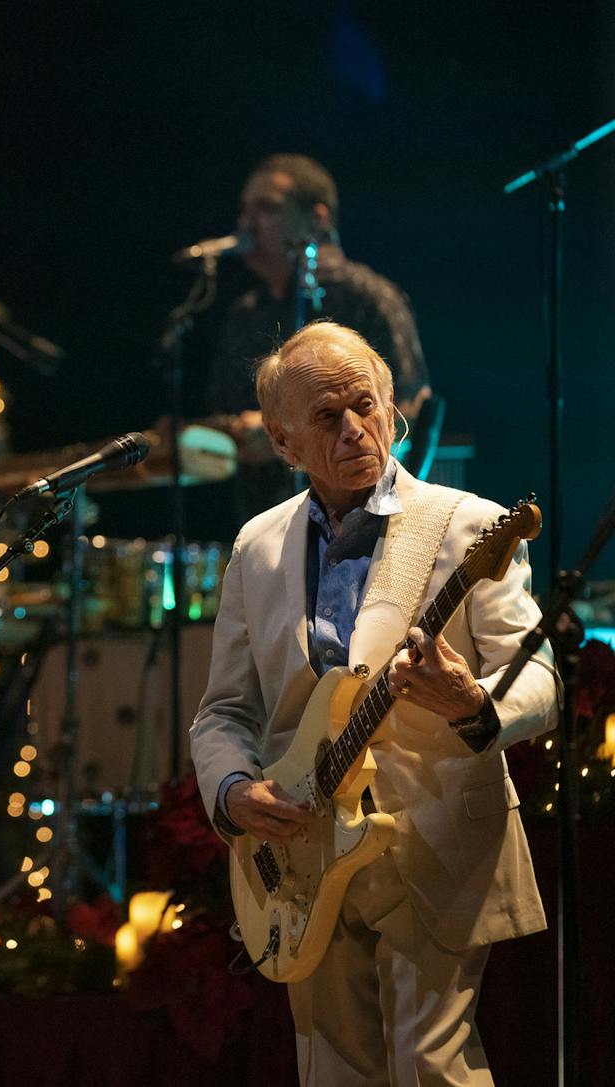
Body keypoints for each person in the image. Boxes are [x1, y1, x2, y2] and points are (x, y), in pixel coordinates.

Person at [190, 322, 558, 1085]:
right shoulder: (256, 545)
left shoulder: (465, 524)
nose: (355, 428)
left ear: (393, 406)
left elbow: (541, 672)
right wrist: (233, 790)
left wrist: (476, 707)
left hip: (437, 836)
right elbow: (223, 710)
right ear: (283, 440)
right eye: (328, 416)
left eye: (366, 404)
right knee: (331, 1068)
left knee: (432, 1066)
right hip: (305, 850)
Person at [207, 154, 433, 521]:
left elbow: (412, 406)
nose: (247, 223)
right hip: (269, 525)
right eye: (245, 209)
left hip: (365, 519)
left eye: (267, 208)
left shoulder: (366, 296)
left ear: (317, 218)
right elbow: (222, 411)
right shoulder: (245, 314)